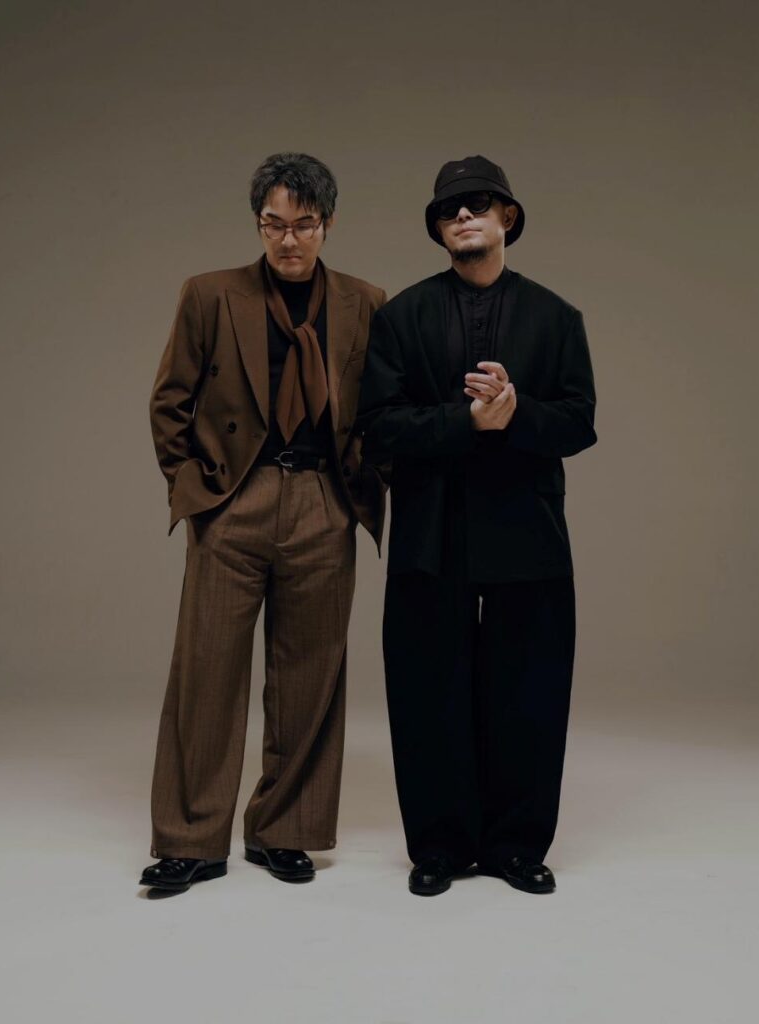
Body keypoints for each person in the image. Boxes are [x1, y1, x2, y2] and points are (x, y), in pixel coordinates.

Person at [140, 152, 387, 894]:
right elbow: (169, 402)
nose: (287, 241)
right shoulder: (210, 294)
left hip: (322, 501)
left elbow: (381, 409)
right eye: (272, 225)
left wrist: (357, 489)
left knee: (310, 674)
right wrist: (198, 492)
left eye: (302, 225)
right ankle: (191, 839)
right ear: (258, 224)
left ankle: (285, 830)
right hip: (233, 501)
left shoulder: (365, 302)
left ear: (327, 224)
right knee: (206, 672)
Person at [357, 155, 597, 896]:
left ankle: (517, 846)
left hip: (526, 529)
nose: (463, 215)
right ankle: (438, 846)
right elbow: (377, 426)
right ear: (438, 229)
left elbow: (579, 422)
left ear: (507, 218)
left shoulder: (556, 317)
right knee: (427, 688)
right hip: (431, 531)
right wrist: (465, 421)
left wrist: (516, 413)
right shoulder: (401, 317)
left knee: (530, 689)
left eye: (479, 204)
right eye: (449, 209)